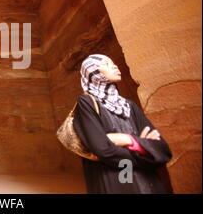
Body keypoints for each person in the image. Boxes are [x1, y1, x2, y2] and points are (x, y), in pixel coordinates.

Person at [73, 54, 173, 193]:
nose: (114, 66)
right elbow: (102, 149)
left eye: (113, 63)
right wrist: (145, 149)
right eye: (106, 64)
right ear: (93, 71)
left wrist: (129, 140)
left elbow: (163, 150)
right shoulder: (86, 103)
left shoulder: (129, 106)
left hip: (148, 184)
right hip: (114, 183)